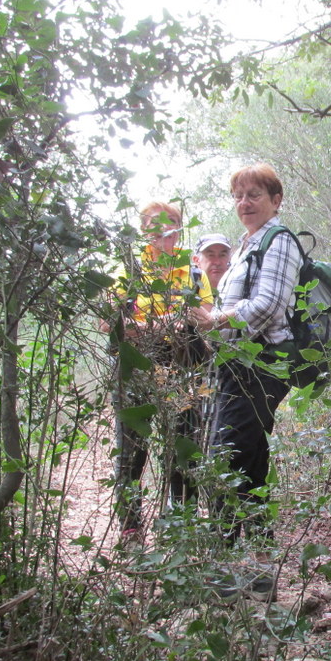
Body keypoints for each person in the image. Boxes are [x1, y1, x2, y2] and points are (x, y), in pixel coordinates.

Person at [190, 163, 300, 597]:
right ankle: (258, 570)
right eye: (239, 196)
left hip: (261, 364)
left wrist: (213, 320)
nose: (245, 202)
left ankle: (223, 571)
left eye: (255, 194)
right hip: (238, 365)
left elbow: (270, 305)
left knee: (224, 457)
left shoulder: (280, 240)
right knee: (250, 462)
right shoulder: (247, 246)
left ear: (275, 200)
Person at [103, 202, 213, 539]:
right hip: (135, 367)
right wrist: (166, 321)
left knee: (185, 447)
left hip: (184, 367)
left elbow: (205, 319)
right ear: (144, 229)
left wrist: (192, 320)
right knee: (132, 450)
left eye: (174, 221)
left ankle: (182, 524)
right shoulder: (126, 269)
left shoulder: (194, 271)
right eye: (156, 222)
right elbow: (111, 324)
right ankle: (131, 528)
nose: (165, 228)